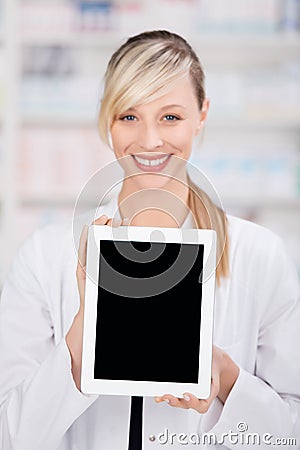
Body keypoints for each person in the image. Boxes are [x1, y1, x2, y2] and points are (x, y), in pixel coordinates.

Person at [0, 29, 299, 450]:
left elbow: (292, 432)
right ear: (108, 121)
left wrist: (228, 379)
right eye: (129, 116)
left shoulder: (259, 255)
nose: (150, 140)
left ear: (203, 115)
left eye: (170, 116)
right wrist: (86, 333)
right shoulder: (47, 257)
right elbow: (12, 436)